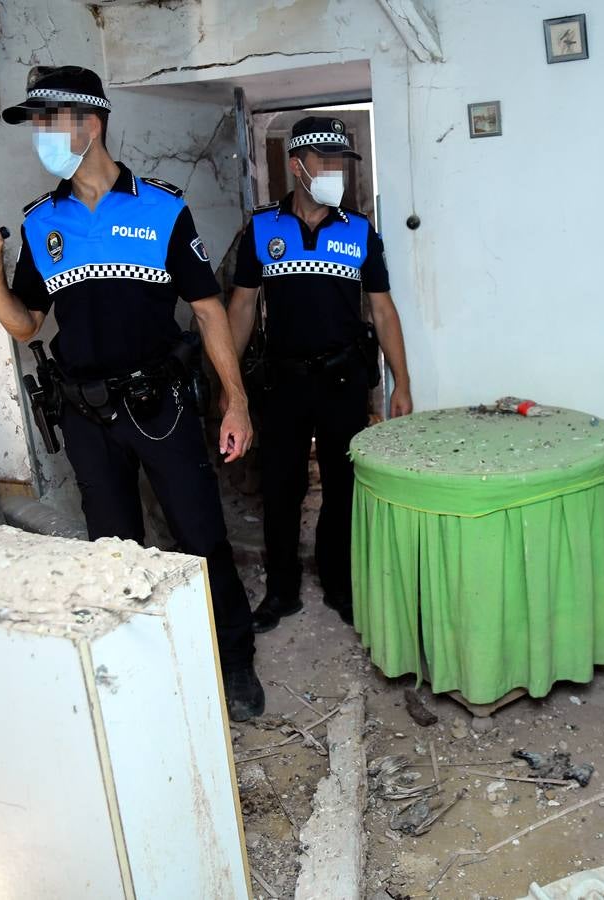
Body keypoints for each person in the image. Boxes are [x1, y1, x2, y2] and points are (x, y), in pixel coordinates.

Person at [0, 66, 264, 720]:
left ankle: (234, 660)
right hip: (87, 415)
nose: (40, 136)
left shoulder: (162, 207)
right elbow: (28, 323)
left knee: (201, 534)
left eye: (49, 122)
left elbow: (209, 311)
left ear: (89, 124)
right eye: (36, 125)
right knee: (114, 551)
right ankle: (135, 664)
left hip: (161, 407)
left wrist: (233, 400)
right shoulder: (41, 223)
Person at [228, 116, 413, 633]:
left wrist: (401, 382)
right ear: (297, 165)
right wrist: (231, 389)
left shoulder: (359, 232)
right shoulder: (262, 229)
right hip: (282, 385)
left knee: (342, 488)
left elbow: (383, 310)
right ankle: (282, 590)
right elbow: (241, 309)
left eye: (342, 163)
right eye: (325, 161)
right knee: (281, 490)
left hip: (342, 382)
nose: (337, 172)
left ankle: (339, 585)